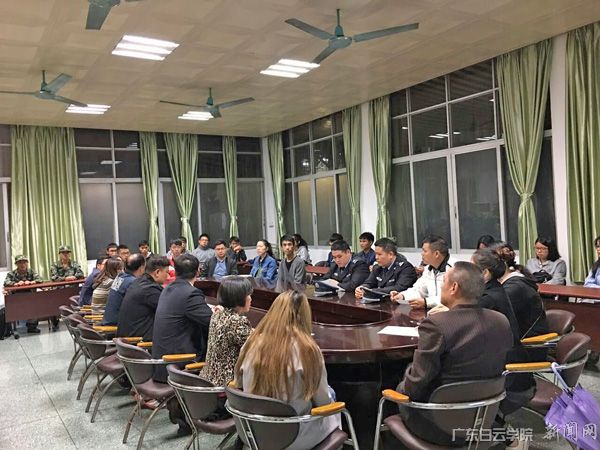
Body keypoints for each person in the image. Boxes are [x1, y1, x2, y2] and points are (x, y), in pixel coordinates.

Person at [396, 262, 513, 446]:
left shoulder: (437, 324)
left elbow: (416, 383)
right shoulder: (500, 320)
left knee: (393, 395)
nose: (442, 286)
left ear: (454, 287)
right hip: (484, 417)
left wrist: (398, 389)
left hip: (440, 423)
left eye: (444, 282)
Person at [234, 291, 340, 450]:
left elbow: (239, 383)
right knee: (332, 398)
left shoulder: (252, 341)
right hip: (294, 436)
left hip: (254, 433)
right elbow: (323, 402)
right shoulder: (307, 349)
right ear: (303, 315)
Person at [471, 249, 536, 414]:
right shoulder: (494, 289)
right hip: (502, 361)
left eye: (471, 268)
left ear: (485, 273)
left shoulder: (488, 298)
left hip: (507, 371)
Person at [152, 254, 212, 383]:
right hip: (178, 365)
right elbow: (213, 322)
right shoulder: (191, 293)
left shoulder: (167, 289)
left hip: (162, 362)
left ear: (175, 271)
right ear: (198, 271)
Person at [200, 277, 253, 411]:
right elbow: (257, 347)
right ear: (239, 298)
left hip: (208, 384)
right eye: (248, 295)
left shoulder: (217, 315)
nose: (251, 299)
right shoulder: (237, 322)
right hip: (225, 392)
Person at [493, 242, 549, 360]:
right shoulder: (511, 281)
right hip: (517, 343)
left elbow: (493, 315)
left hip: (527, 348)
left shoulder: (514, 287)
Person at [390, 235, 454, 310]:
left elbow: (452, 298)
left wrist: (426, 302)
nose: (422, 254)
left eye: (425, 251)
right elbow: (418, 290)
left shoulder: (455, 269)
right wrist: (402, 296)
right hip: (433, 312)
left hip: (452, 313)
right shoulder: (428, 269)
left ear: (436, 254)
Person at [117, 255, 170, 341]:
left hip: (127, 338)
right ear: (157, 272)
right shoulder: (150, 289)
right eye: (167, 272)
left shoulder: (139, 282)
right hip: (136, 341)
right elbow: (170, 311)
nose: (168, 276)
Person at [102, 254, 146, 325]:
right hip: (116, 323)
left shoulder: (121, 277)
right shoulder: (132, 282)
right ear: (141, 268)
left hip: (109, 319)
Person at [3, 255, 43, 334]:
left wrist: (32, 282)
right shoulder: (12, 273)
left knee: (35, 303)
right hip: (16, 298)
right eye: (20, 263)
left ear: (27, 263)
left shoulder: (31, 271)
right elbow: (6, 282)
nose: (22, 264)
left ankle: (32, 326)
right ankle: (13, 328)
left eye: (24, 262)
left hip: (31, 297)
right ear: (16, 264)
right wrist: (15, 284)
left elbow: (40, 279)